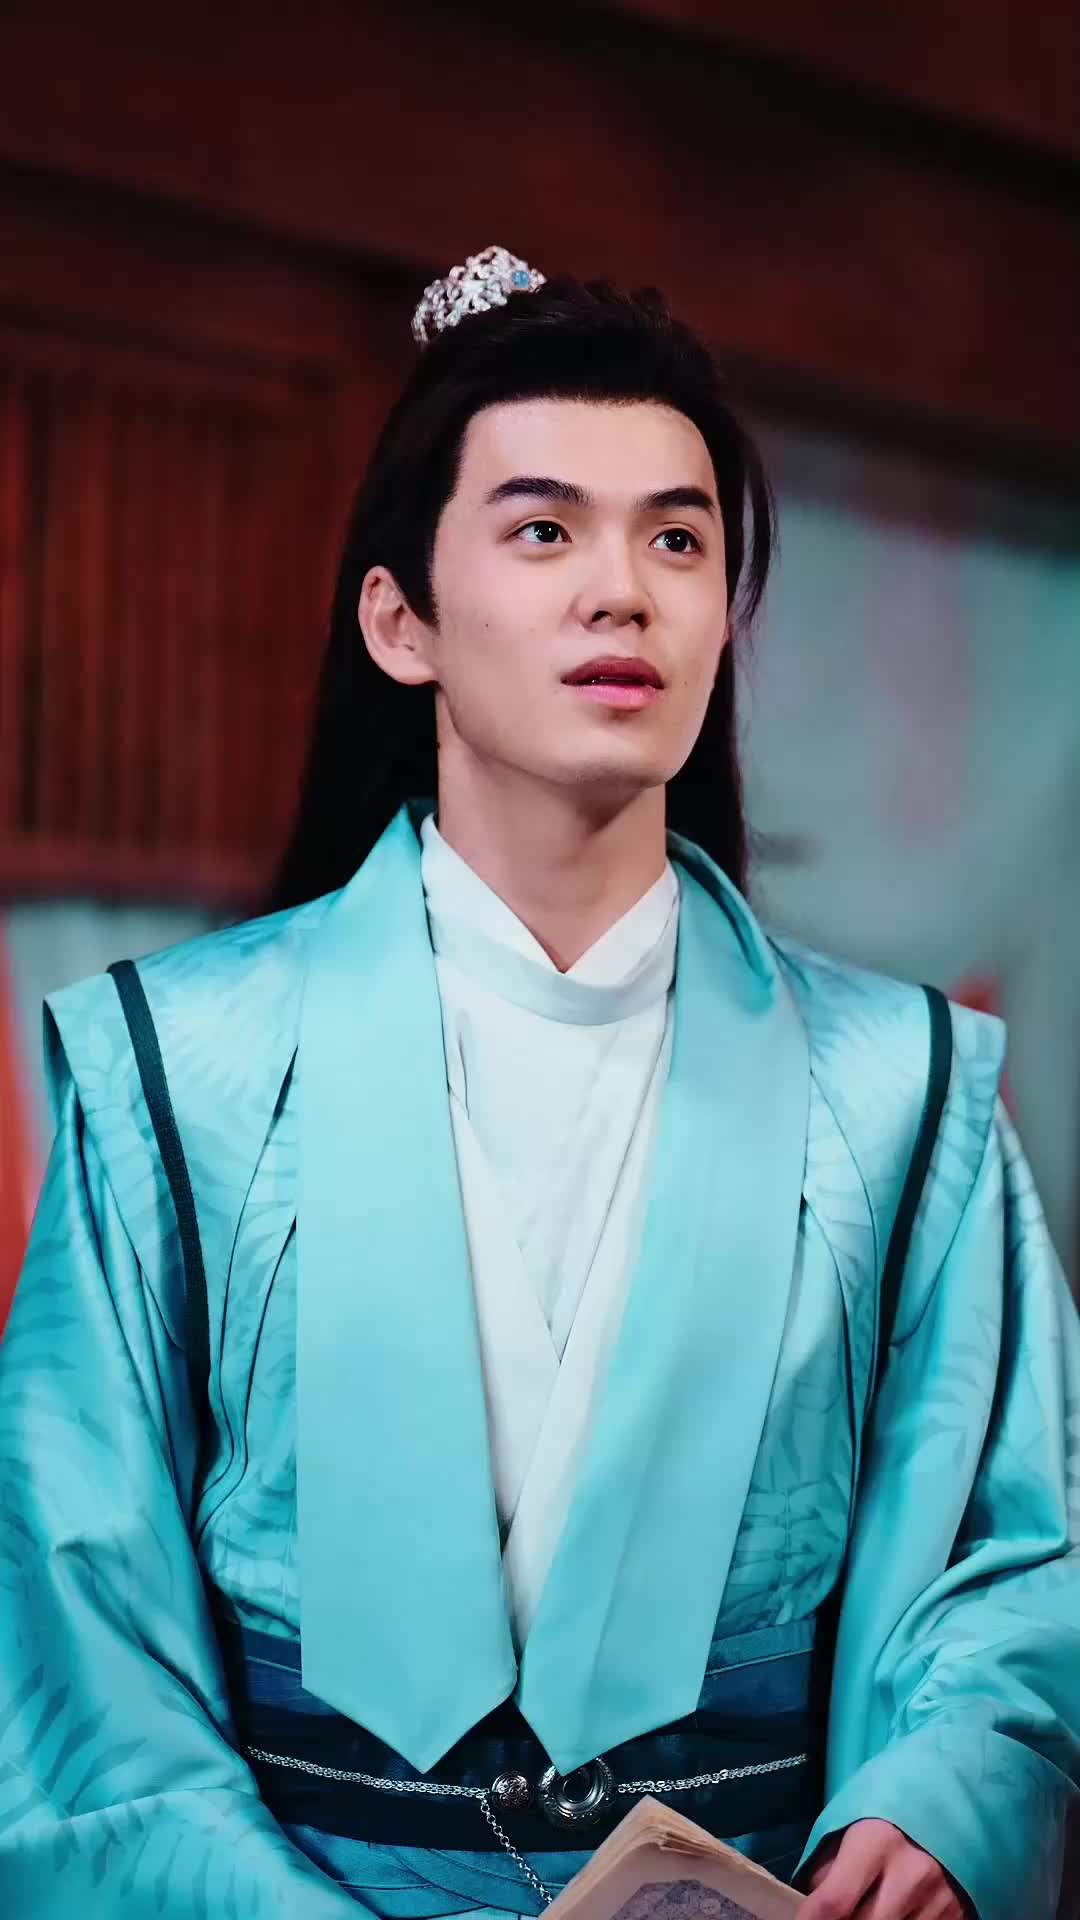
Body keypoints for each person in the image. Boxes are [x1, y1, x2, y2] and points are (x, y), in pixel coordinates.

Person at [0, 245, 1077, 1920]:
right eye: (543, 529)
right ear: (401, 621)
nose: (621, 591)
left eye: (677, 538)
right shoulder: (177, 1066)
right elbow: (76, 1614)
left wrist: (943, 1800)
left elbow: (1014, 1550)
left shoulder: (905, 1088)